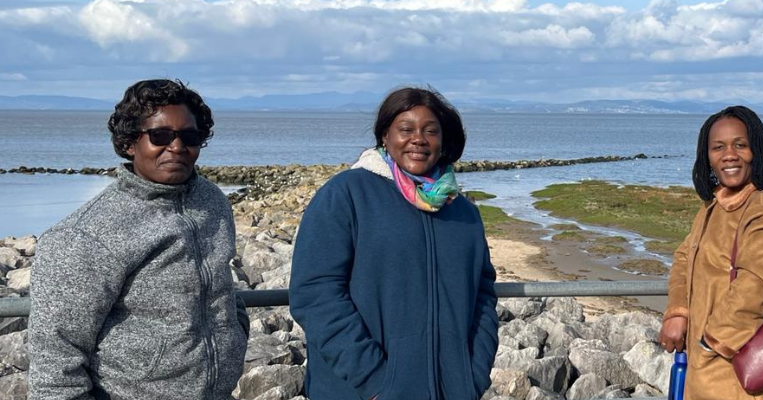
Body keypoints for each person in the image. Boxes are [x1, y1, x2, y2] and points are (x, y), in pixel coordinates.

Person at [28, 79, 249, 399]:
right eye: (160, 136)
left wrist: (236, 328)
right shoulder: (84, 236)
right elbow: (55, 362)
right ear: (130, 143)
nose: (176, 147)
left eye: (190, 136)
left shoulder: (213, 203)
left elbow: (220, 283)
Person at [289, 86, 499, 400]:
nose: (418, 139)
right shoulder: (347, 194)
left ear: (443, 142)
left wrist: (473, 375)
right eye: (406, 129)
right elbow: (315, 293)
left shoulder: (464, 213)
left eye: (431, 130)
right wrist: (375, 382)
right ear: (384, 136)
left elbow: (483, 295)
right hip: (362, 392)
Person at [658, 105, 763, 399]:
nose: (729, 154)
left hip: (740, 372)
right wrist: (677, 312)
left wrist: (711, 343)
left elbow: (759, 284)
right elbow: (683, 259)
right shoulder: (713, 206)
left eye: (740, 145)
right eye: (718, 147)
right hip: (713, 370)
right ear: (707, 157)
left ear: (756, 151)